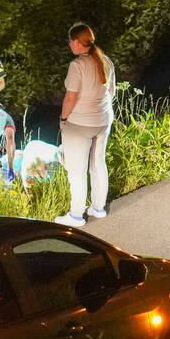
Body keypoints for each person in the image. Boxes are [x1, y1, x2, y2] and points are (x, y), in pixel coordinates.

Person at [55, 23, 116, 228]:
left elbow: (70, 98)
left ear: (75, 42)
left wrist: (63, 119)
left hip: (80, 124)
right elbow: (111, 92)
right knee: (98, 163)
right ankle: (98, 208)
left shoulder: (77, 65)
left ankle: (76, 215)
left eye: (70, 41)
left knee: (77, 171)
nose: (69, 45)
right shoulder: (105, 60)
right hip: (103, 120)